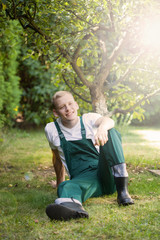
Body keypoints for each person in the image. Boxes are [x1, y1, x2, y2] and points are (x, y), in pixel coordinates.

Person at [45, 91, 134, 221]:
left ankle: (123, 192)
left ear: (76, 105)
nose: (68, 109)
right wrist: (59, 183)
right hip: (85, 180)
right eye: (62, 107)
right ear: (55, 112)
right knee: (66, 186)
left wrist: (102, 128)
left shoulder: (88, 119)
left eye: (70, 104)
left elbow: (108, 120)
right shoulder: (51, 129)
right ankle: (74, 209)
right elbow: (57, 158)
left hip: (106, 173)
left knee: (111, 132)